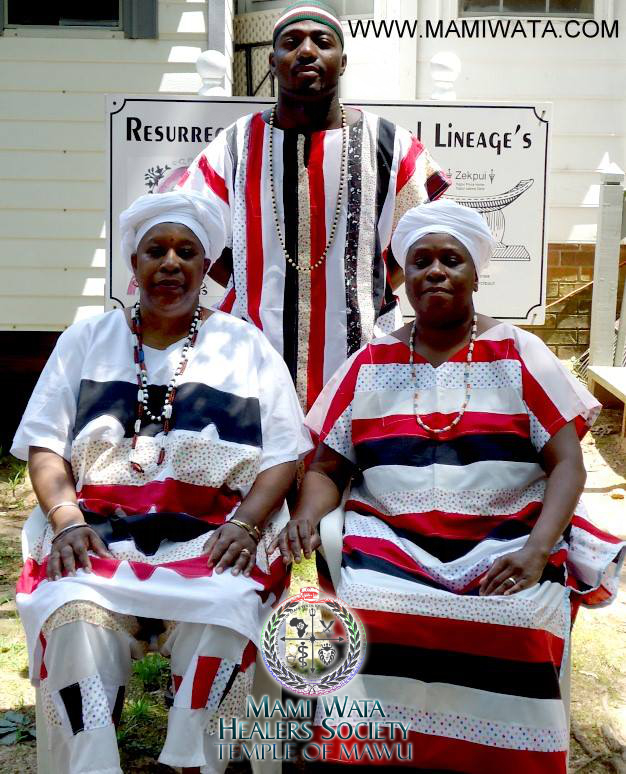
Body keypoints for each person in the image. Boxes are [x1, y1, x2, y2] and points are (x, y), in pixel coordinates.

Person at [272, 199, 626, 773]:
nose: (435, 271)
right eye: (421, 261)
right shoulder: (372, 362)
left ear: (474, 274)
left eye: (450, 260)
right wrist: (309, 517)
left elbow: (568, 463)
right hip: (395, 541)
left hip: (503, 537)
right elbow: (327, 466)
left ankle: (501, 759)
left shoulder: (519, 352)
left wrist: (537, 551)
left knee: (514, 618)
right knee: (368, 611)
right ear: (404, 278)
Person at [13, 191, 311, 774]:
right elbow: (46, 445)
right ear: (134, 264)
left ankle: (193, 763)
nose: (170, 263)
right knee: (73, 613)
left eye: (186, 252)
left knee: (226, 609)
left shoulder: (244, 345)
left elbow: (283, 455)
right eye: (156, 250)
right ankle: (90, 764)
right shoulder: (86, 341)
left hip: (211, 539)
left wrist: (247, 523)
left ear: (205, 268)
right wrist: (65, 519)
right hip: (100, 537)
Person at [178, 0, 450, 411]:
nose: (306, 51)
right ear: (272, 61)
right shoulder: (237, 143)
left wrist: (373, 289)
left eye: (322, 42)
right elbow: (191, 230)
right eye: (292, 42)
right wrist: (244, 282)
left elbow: (426, 238)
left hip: (363, 350)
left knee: (351, 470)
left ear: (342, 62)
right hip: (251, 349)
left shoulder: (389, 143)